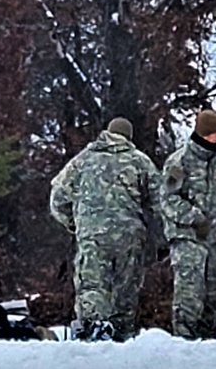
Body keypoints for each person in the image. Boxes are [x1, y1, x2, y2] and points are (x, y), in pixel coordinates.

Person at [49, 117, 163, 341]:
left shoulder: (82, 160)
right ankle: (121, 336)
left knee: (92, 285)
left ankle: (93, 331)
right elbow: (161, 201)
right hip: (130, 236)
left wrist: (74, 224)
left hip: (92, 235)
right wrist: (162, 238)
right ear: (129, 137)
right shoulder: (140, 161)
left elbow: (58, 198)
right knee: (126, 289)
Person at [160, 109, 216, 339]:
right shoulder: (179, 161)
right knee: (190, 293)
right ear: (205, 134)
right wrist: (195, 218)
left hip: (212, 239)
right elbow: (168, 199)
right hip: (188, 239)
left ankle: (208, 342)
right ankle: (185, 342)